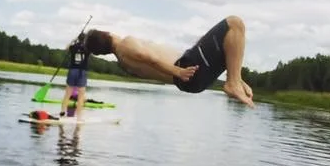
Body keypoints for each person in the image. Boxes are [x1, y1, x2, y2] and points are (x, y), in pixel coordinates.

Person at [84, 16, 254, 107]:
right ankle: (233, 82)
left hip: (192, 82)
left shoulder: (122, 62)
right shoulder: (125, 44)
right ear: (106, 33)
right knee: (234, 23)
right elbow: (150, 58)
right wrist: (178, 71)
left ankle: (235, 79)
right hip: (186, 69)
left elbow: (151, 64)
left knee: (229, 42)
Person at [60, 34, 89, 117]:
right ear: (85, 40)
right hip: (82, 72)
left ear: (78, 39)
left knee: (67, 94)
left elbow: (66, 48)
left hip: (72, 70)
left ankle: (62, 112)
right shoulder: (87, 48)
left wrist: (73, 40)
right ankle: (79, 117)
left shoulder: (73, 47)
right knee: (81, 97)